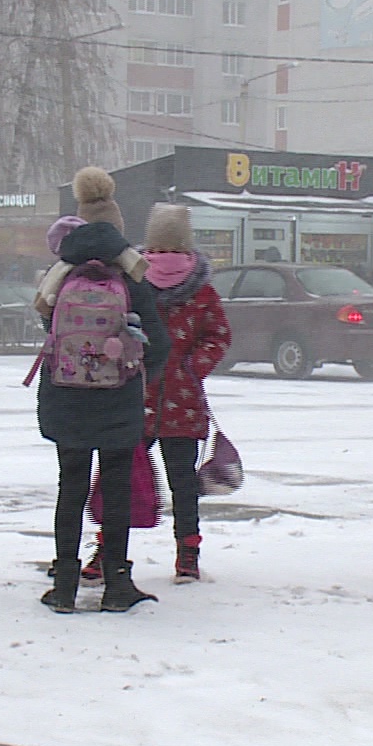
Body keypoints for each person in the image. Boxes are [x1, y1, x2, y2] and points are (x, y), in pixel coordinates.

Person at [38, 167, 170, 614]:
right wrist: (136, 370)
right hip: (117, 397)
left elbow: (46, 329)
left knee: (70, 486)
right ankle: (116, 584)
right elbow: (159, 341)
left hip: (66, 396)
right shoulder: (132, 275)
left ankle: (65, 587)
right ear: (117, 227)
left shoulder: (59, 274)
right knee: (115, 487)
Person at [136, 202, 231, 583]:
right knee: (183, 484)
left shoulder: (132, 282)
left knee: (122, 479)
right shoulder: (203, 290)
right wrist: (194, 367)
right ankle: (187, 556)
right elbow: (218, 336)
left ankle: (107, 550)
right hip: (185, 403)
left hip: (134, 399)